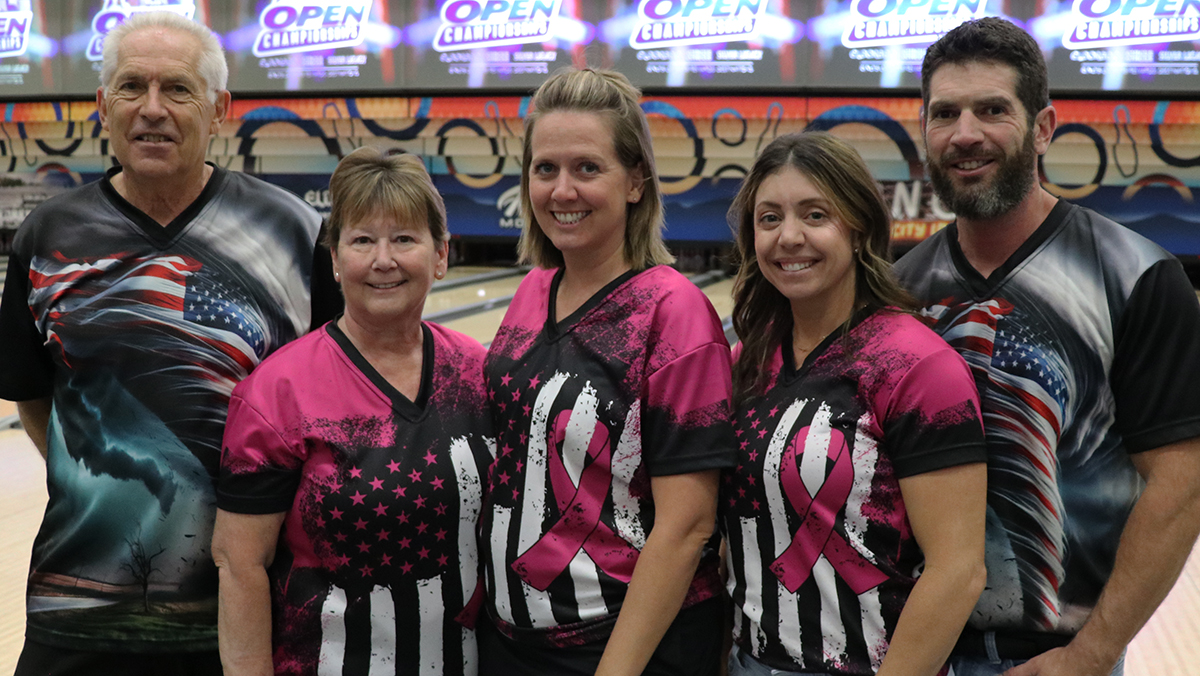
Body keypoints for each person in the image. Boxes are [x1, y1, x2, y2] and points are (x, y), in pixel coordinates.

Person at [0, 11, 339, 675]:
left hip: (253, 613)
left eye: (178, 90)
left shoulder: (293, 231)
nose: (152, 109)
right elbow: (35, 399)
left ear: (220, 110)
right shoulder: (47, 235)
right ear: (103, 105)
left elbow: (335, 398)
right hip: (78, 609)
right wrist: (107, 473)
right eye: (132, 87)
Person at [894, 17, 1200, 676]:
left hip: (1061, 660)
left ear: (1043, 126)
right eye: (945, 113)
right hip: (911, 648)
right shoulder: (897, 294)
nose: (966, 133)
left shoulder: (1136, 276)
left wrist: (1089, 655)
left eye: (993, 110)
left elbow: (1181, 484)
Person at [477, 67, 737, 676]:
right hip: (513, 644)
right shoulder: (531, 292)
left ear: (636, 182)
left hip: (627, 649)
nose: (562, 190)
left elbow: (689, 524)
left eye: (587, 168)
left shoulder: (674, 314)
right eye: (545, 169)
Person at [211, 147, 494, 676]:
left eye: (405, 239)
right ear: (336, 261)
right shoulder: (278, 391)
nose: (383, 260)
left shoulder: (479, 375)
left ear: (441, 255)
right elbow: (241, 565)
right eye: (362, 240)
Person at [722, 131, 988, 676]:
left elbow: (957, 570)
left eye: (815, 215)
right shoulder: (745, 360)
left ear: (859, 225)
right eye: (769, 218)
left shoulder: (917, 366)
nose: (788, 236)